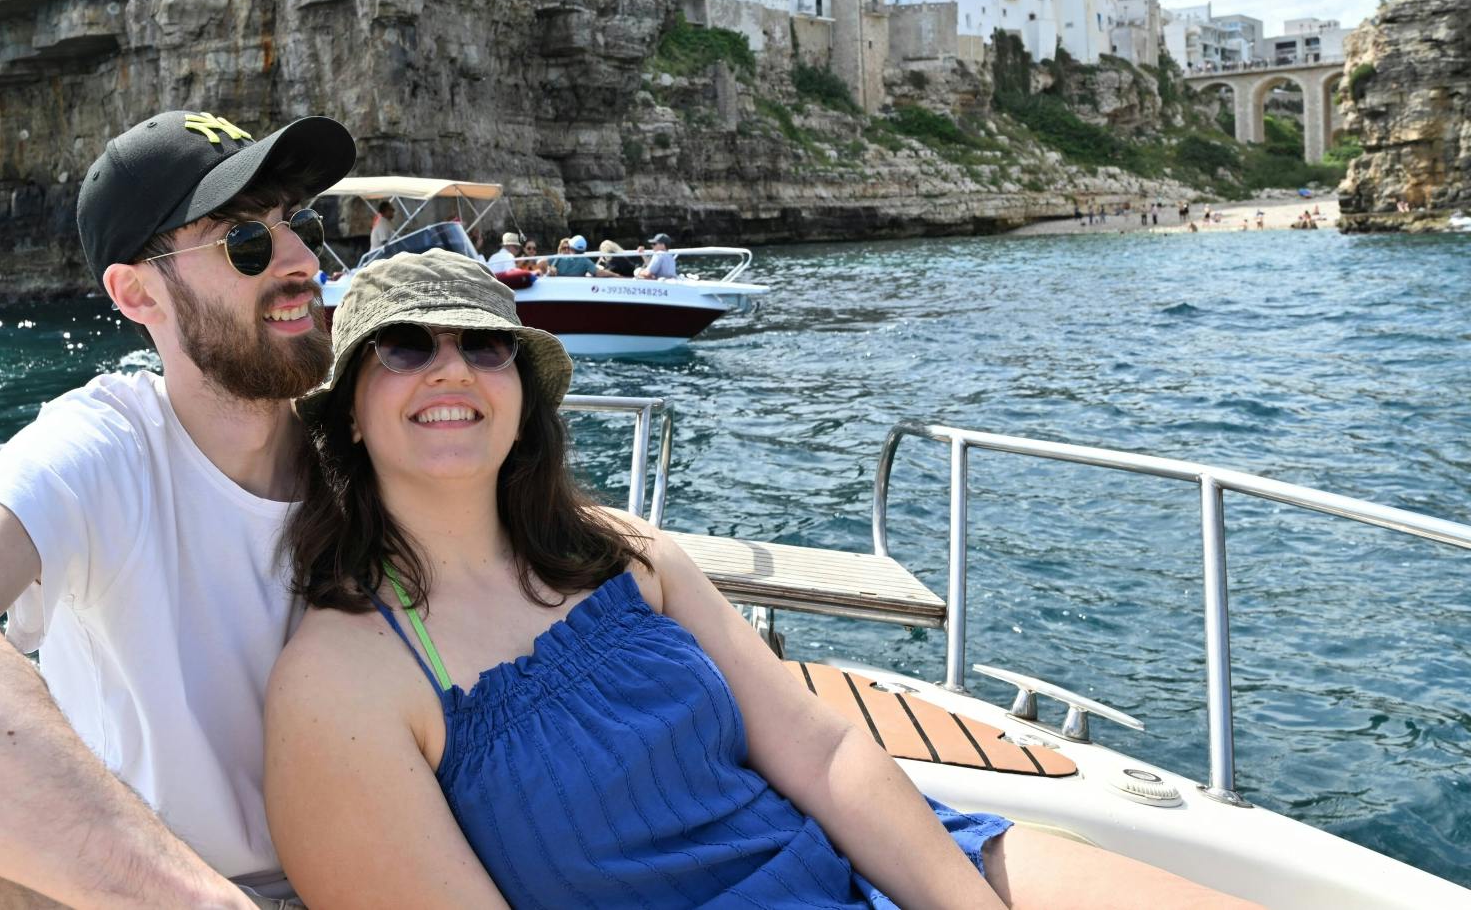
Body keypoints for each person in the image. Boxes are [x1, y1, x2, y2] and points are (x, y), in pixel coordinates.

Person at [263, 251, 1256, 910]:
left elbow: (821, 751)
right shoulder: (345, 679)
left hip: (862, 857)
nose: (452, 369)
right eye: (404, 347)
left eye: (485, 345)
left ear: (522, 397)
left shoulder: (618, 552)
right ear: (349, 409)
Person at [0, 109, 356, 910]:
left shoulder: (363, 446)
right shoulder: (110, 446)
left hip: (358, 874)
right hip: (156, 892)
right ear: (135, 293)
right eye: (245, 242)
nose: (300, 261)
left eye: (300, 224)